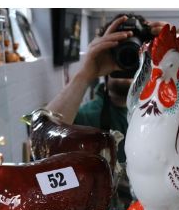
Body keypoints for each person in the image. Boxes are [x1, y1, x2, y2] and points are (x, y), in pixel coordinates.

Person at [45, 14, 166, 163]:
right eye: (121, 48)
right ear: (106, 50)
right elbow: (44, 143)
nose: (129, 57)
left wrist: (172, 66)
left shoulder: (164, 112)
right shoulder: (86, 117)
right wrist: (86, 73)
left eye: (137, 52)